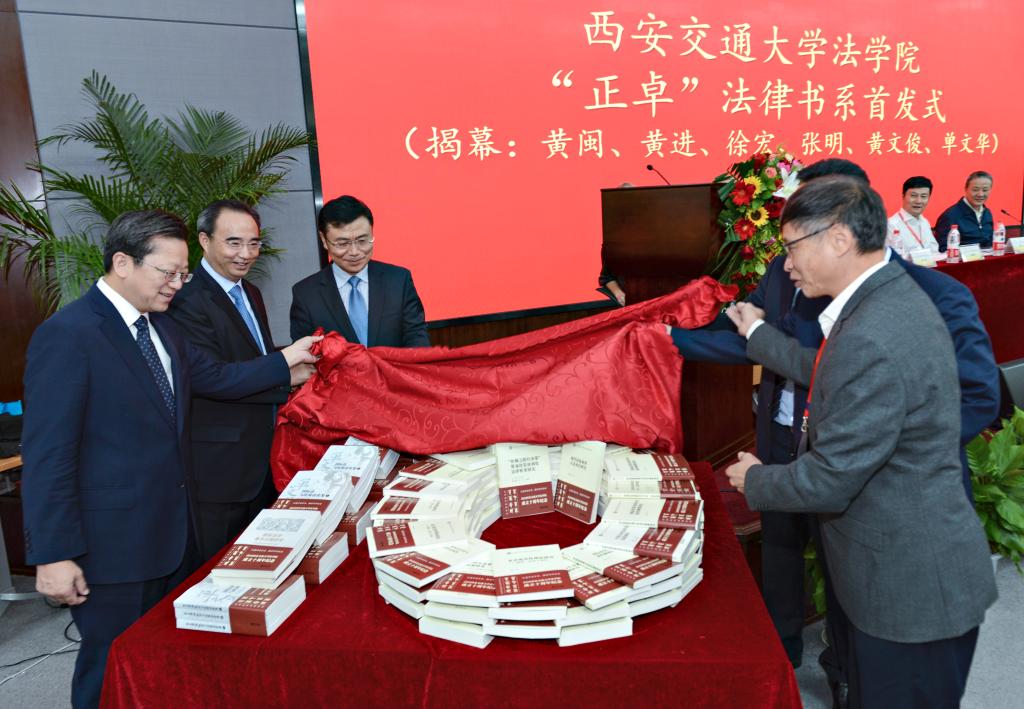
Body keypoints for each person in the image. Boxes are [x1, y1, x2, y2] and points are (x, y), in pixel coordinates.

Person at [669, 157, 999, 680]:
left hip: (875, 490)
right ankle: (786, 666)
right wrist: (666, 339)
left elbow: (975, 396)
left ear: (848, 224)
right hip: (789, 450)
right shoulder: (794, 275)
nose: (789, 257)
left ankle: (845, 673)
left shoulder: (931, 295)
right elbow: (771, 347)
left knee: (863, 608)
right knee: (789, 568)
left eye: (806, 224)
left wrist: (884, 451)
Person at [20, 210, 320, 709]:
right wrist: (53, 554)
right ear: (123, 263)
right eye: (168, 272)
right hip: (113, 546)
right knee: (109, 669)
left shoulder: (162, 326)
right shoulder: (69, 335)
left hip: (178, 533)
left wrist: (288, 363)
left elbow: (216, 379)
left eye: (183, 274)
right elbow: (49, 454)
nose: (178, 284)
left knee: (165, 666)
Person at [166, 200, 289, 562]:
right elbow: (212, 379)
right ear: (204, 241)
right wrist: (286, 363)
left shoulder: (251, 292)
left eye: (254, 243)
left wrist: (288, 372)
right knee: (218, 571)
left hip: (263, 463)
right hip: (219, 474)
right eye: (234, 243)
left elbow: (254, 364)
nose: (246, 254)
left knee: (263, 569)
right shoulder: (185, 299)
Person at [289, 195, 430, 346]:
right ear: (324, 240)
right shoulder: (306, 295)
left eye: (362, 241)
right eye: (342, 244)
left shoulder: (399, 281)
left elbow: (417, 340)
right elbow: (305, 354)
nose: (354, 252)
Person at [935, 171, 994, 251]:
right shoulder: (950, 216)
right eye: (975, 190)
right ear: (966, 189)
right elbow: (943, 250)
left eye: (985, 190)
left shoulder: (987, 213)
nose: (980, 194)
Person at [886, 176, 939, 255]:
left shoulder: (925, 222)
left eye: (923, 196)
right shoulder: (891, 225)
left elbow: (935, 252)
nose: (918, 201)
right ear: (903, 196)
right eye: (913, 195)